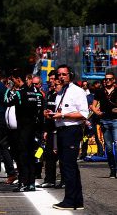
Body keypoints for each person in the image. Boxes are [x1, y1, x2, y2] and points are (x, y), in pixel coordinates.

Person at [47, 65, 88, 210]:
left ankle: (70, 200)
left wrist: (63, 115)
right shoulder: (61, 92)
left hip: (72, 130)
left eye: (64, 74)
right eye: (59, 75)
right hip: (62, 130)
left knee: (68, 166)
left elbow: (83, 114)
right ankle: (77, 200)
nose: (61, 77)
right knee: (68, 166)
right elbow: (62, 110)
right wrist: (52, 114)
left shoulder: (77, 91)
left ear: (70, 75)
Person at [5, 69, 43, 192]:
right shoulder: (35, 93)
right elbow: (39, 110)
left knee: (21, 156)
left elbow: (6, 101)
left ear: (17, 79)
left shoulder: (19, 93)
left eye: (13, 80)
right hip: (33, 127)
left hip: (22, 129)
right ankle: (31, 183)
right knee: (31, 155)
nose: (12, 82)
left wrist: (9, 89)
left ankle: (23, 183)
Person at [91, 72, 117, 178]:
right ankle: (112, 169)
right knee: (109, 148)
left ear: (114, 80)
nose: (108, 81)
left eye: (110, 79)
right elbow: (93, 106)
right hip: (105, 121)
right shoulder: (99, 91)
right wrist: (97, 112)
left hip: (116, 120)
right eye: (106, 79)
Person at [39, 71, 62, 188]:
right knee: (48, 155)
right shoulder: (49, 93)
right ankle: (49, 179)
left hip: (59, 128)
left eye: (54, 79)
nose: (52, 81)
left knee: (60, 155)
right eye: (50, 79)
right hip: (49, 128)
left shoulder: (60, 94)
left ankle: (63, 180)